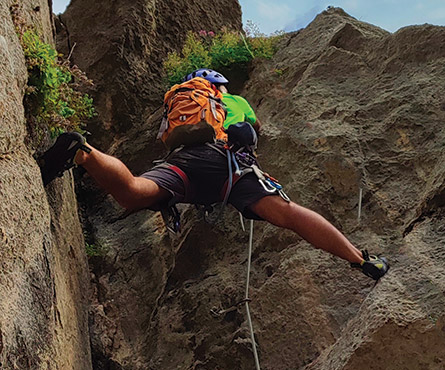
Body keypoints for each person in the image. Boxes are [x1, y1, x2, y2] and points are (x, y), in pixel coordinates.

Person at [38, 68, 389, 282]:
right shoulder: (231, 100)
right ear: (218, 87)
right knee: (290, 215)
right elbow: (253, 129)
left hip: (186, 162)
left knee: (133, 190)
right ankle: (362, 260)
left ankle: (83, 152)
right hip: (229, 165)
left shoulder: (183, 105)